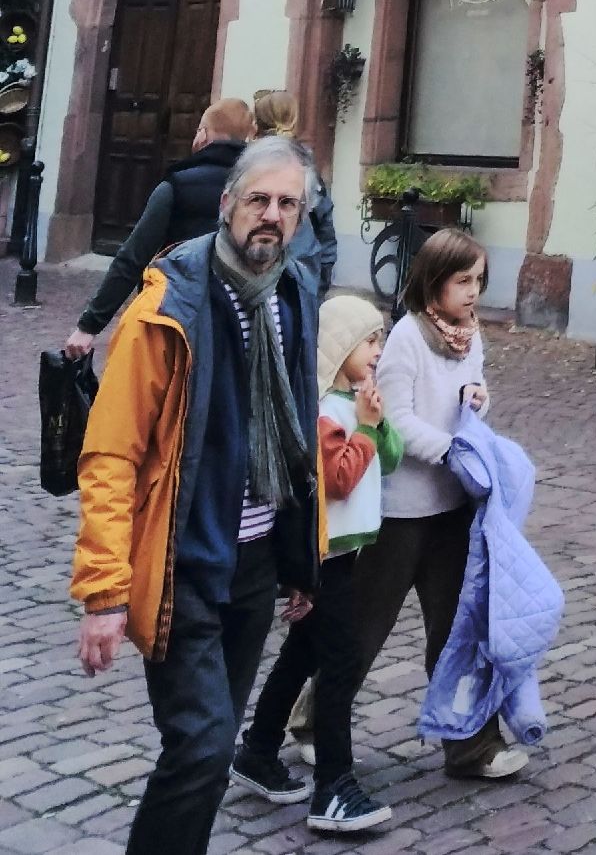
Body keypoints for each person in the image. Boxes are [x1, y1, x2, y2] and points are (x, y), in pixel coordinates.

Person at [71, 133, 323, 855]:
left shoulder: (294, 293)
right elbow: (113, 451)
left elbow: (297, 432)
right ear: (226, 204)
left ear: (301, 217)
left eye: (287, 203)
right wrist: (105, 592)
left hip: (255, 563)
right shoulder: (170, 302)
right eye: (258, 199)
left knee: (206, 753)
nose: (271, 214)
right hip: (182, 562)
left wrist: (302, 558)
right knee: (205, 744)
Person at [349, 229, 527, 783]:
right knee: (365, 626)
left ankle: (471, 746)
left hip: (453, 508)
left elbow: (471, 393)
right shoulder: (407, 337)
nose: (473, 292)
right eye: (462, 281)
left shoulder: (470, 336)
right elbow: (397, 420)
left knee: (455, 633)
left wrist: (479, 399)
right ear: (433, 282)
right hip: (401, 512)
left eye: (479, 281)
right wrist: (450, 449)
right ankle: (312, 720)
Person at [234, 293, 397, 836]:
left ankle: (258, 749)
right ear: (340, 346)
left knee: (302, 652)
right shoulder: (325, 411)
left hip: (344, 553)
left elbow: (391, 458)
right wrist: (365, 427)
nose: (378, 350)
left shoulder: (352, 402)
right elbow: (340, 479)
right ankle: (334, 785)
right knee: (340, 662)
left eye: (379, 339)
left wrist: (377, 421)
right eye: (369, 340)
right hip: (324, 555)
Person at [63, 99, 256, 360]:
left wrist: (89, 325)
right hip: (240, 320)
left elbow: (133, 257)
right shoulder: (261, 189)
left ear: (203, 135)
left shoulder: (178, 185)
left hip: (177, 317)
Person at [252, 89, 338, 292]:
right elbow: (325, 223)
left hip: (258, 267)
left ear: (257, 122)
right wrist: (322, 275)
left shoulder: (245, 163)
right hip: (301, 267)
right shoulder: (304, 164)